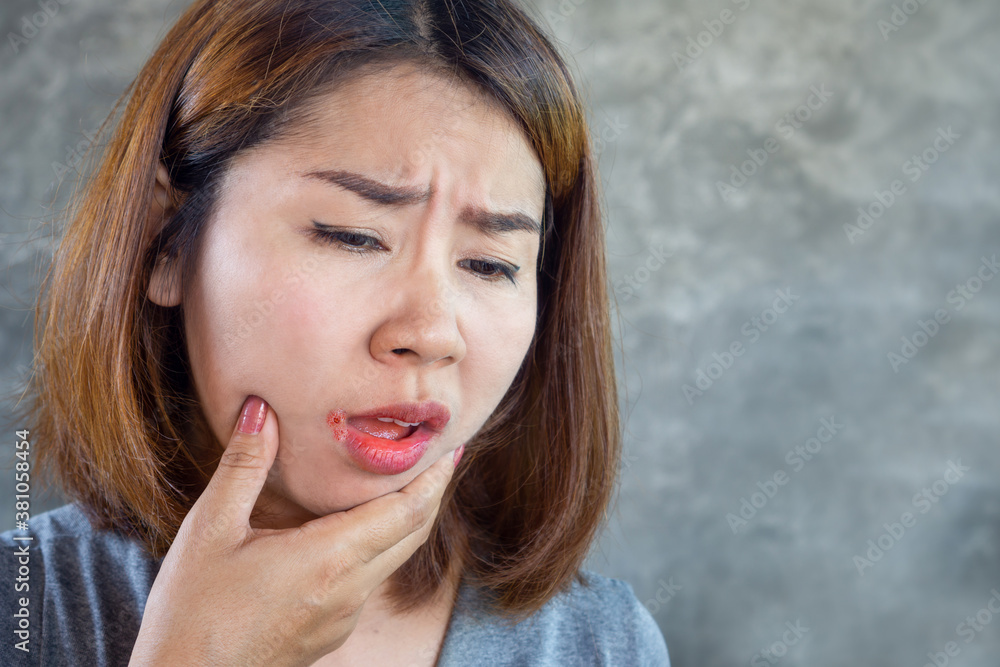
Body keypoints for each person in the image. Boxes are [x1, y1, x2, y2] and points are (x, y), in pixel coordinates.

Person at [0, 0, 670, 665]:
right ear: (163, 242)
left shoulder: (604, 643)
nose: (431, 333)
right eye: (352, 237)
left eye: (489, 265)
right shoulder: (22, 610)